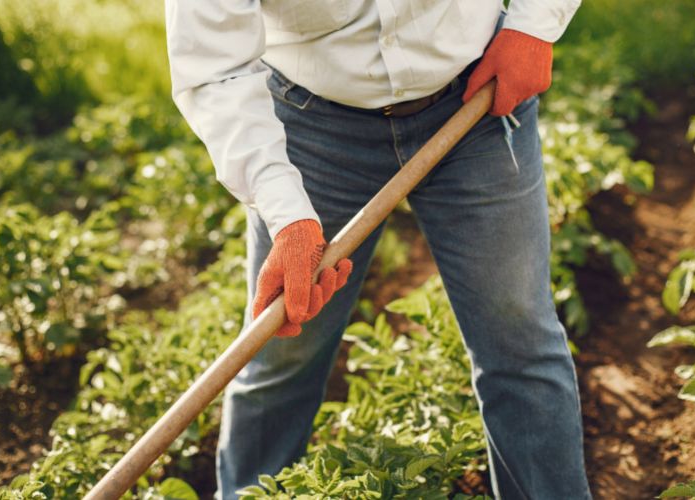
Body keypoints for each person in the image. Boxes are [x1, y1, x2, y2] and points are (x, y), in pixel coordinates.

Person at [165, 0, 590, 498]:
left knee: (519, 342)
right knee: (283, 346)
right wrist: (287, 214)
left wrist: (534, 25)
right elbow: (214, 69)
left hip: (476, 93)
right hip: (312, 127)